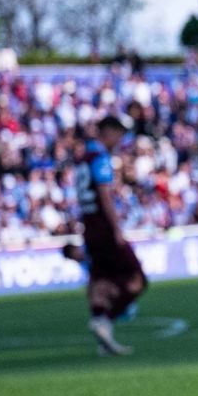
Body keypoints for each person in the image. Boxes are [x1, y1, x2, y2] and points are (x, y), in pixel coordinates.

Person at [67, 113, 148, 357]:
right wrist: (116, 229)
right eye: (120, 133)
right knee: (137, 279)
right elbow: (105, 195)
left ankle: (105, 341)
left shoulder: (83, 157)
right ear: (109, 131)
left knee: (100, 282)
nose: (121, 139)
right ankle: (106, 321)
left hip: (89, 227)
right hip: (103, 226)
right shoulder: (100, 157)